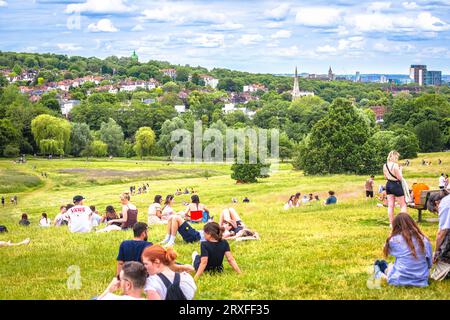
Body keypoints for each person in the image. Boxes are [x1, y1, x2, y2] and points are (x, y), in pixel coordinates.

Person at [374, 212, 432, 287]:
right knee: (389, 265)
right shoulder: (424, 240)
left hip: (398, 280)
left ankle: (381, 272)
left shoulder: (394, 240)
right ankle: (385, 267)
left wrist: (392, 233)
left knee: (380, 265)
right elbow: (429, 264)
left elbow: (385, 249)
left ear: (395, 226)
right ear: (412, 223)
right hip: (421, 280)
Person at [427, 191, 450, 281]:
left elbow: (442, 232)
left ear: (436, 203)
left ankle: (445, 265)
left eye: (436, 211)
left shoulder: (444, 204)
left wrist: (436, 252)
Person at [383, 151, 407, 227]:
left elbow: (385, 177)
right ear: (394, 157)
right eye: (397, 157)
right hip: (396, 185)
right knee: (403, 205)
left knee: (390, 205)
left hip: (388, 185)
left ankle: (391, 223)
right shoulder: (395, 165)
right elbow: (400, 178)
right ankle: (403, 223)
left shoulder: (385, 165)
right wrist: (401, 170)